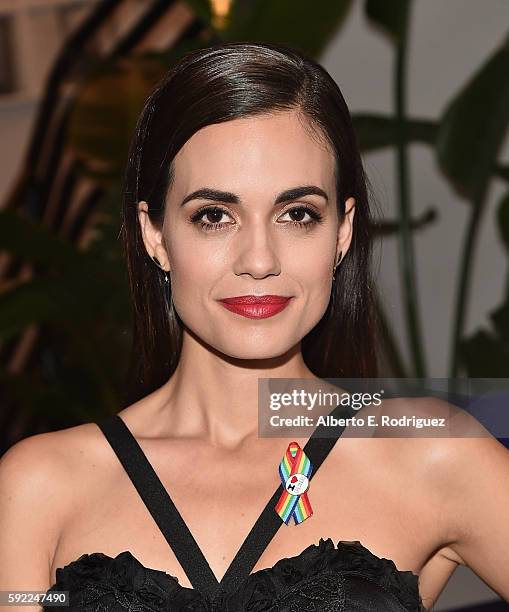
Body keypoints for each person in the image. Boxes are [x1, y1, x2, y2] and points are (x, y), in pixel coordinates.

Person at [1, 41, 508, 612]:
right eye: (214, 216)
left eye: (298, 214)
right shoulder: (40, 486)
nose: (260, 259)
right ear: (156, 236)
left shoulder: (431, 454)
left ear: (341, 233)